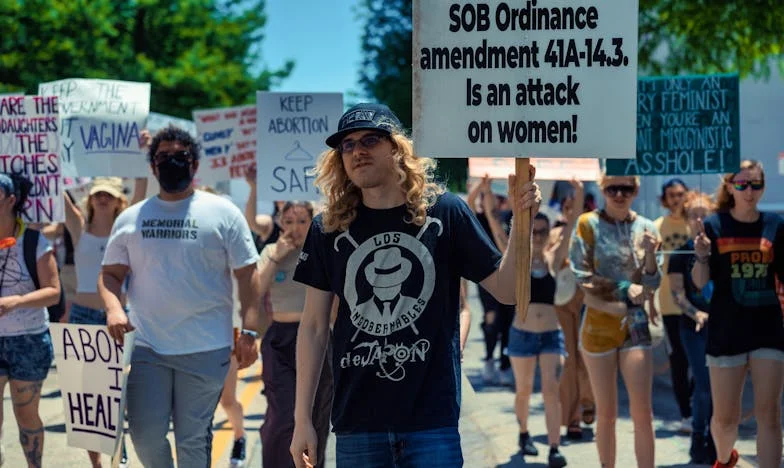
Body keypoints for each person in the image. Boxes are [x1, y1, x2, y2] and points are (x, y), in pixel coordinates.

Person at [289, 103, 541, 468]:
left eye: (370, 140)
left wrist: (522, 219)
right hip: (357, 423)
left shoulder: (446, 212)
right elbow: (313, 327)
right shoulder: (327, 227)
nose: (357, 151)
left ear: (397, 148)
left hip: (432, 422)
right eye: (347, 145)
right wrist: (303, 420)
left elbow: (507, 291)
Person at [99, 126, 262, 468]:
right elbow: (110, 275)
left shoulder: (223, 212)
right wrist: (114, 309)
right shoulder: (131, 218)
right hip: (147, 348)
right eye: (163, 157)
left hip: (206, 348)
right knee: (144, 436)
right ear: (152, 166)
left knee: (192, 440)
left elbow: (248, 275)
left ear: (195, 164)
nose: (171, 162)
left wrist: (250, 331)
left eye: (180, 156)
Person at [691, 160, 784, 468]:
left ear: (763, 188)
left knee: (769, 414)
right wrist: (701, 256)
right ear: (729, 187)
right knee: (725, 419)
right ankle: (724, 458)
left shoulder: (775, 225)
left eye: (756, 185)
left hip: (768, 329)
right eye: (742, 184)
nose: (749, 191)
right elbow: (700, 282)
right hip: (726, 330)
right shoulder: (714, 225)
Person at [487, 180, 582, 467]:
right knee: (524, 390)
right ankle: (524, 433)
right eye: (534, 231)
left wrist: (578, 190)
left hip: (551, 335)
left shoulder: (554, 258)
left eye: (542, 231)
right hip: (523, 334)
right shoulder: (519, 259)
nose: (538, 236)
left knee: (551, 390)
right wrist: (485, 193)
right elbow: (495, 228)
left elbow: (572, 224)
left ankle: (554, 447)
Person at [569, 174, 661, 468]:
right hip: (598, 324)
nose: (619, 194)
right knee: (606, 414)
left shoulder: (647, 227)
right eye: (612, 189)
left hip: (635, 323)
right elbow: (581, 275)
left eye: (626, 188)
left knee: (643, 413)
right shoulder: (588, 224)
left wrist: (650, 253)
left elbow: (652, 284)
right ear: (602, 189)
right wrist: (623, 287)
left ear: (636, 190)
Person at [257, 201, 333, 468]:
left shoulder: (321, 251)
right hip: (281, 338)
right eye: (288, 222)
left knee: (317, 413)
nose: (295, 228)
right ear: (280, 222)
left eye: (302, 221)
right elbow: (255, 290)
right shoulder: (271, 251)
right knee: (283, 413)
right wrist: (277, 257)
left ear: (312, 222)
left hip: (318, 338)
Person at [0, 174, 60, 467]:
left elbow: (53, 292)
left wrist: (15, 302)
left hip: (29, 339)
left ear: (11, 200)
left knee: (26, 414)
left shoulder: (35, 241)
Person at [668, 191, 717, 464]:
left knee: (720, 385)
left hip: (722, 326)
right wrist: (695, 312)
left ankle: (716, 438)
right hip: (692, 328)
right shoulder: (679, 254)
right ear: (686, 220)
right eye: (693, 215)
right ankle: (699, 437)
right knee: (704, 383)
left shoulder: (721, 248)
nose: (699, 220)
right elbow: (677, 293)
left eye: (704, 215)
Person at [549, 187, 594, 440]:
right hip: (563, 303)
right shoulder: (555, 234)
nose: (572, 212)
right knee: (570, 359)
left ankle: (589, 401)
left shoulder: (594, 233)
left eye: (577, 207)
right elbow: (551, 263)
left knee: (587, 356)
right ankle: (574, 415)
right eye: (567, 208)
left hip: (589, 301)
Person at [467, 175, 515, 385]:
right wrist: (482, 184)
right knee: (491, 318)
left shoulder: (509, 217)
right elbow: (469, 202)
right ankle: (488, 359)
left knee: (508, 321)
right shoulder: (480, 218)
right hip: (487, 276)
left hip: (509, 274)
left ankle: (505, 364)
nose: (494, 200)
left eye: (498, 197)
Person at [654, 178, 693, 433]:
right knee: (678, 360)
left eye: (680, 194)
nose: (677, 199)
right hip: (669, 305)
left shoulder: (696, 224)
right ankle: (686, 413)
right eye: (672, 195)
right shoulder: (657, 227)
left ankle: (698, 405)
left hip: (697, 303)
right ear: (664, 199)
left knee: (700, 359)